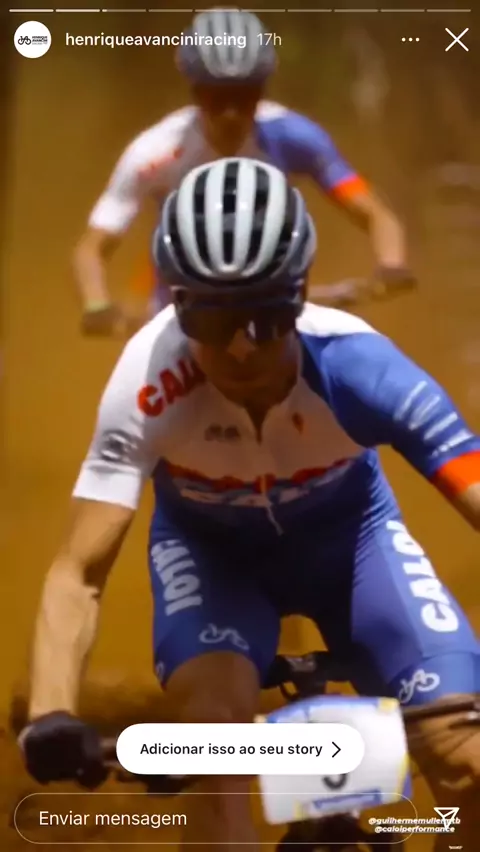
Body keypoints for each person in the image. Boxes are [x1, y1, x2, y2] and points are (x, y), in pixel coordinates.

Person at [21, 158, 478, 852]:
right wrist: (51, 711)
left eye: (267, 316)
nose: (240, 346)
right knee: (218, 762)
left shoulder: (362, 367)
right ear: (177, 305)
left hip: (355, 545)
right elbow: (78, 573)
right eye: (213, 317)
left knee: (468, 759)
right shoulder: (145, 385)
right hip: (215, 561)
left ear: (301, 298)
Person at [73, 7, 415, 337]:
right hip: (181, 315)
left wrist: (392, 265)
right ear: (195, 93)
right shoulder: (154, 153)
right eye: (217, 98)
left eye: (245, 96)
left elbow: (374, 213)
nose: (231, 114)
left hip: (275, 312)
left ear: (262, 91)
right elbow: (92, 249)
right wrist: (97, 305)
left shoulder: (294, 137)